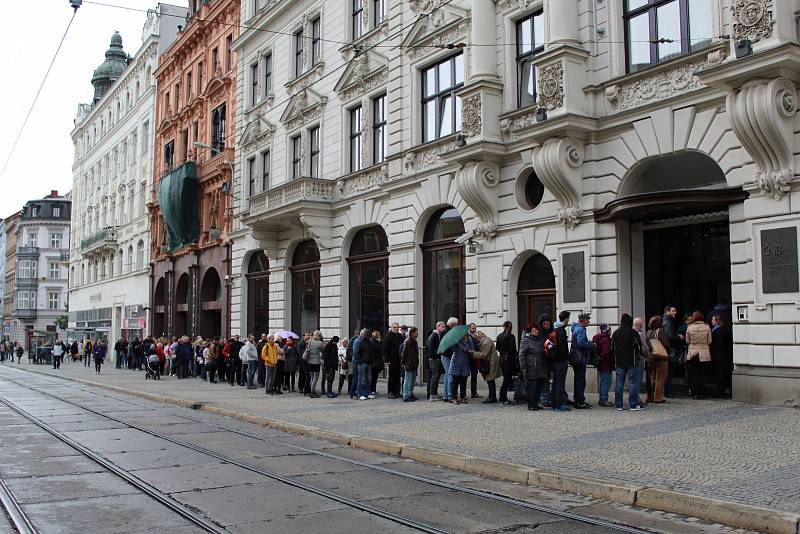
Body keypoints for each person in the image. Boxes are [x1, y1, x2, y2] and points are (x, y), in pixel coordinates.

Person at [612, 314, 644, 411]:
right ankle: (633, 405)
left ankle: (618, 405)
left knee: (619, 383)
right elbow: (639, 347)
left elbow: (612, 347)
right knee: (633, 383)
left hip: (619, 361)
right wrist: (637, 356)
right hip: (632, 361)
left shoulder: (616, 333)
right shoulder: (633, 333)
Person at [518, 322, 549, 411]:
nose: (536, 331)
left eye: (537, 330)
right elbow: (522, 354)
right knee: (533, 387)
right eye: (534, 330)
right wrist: (523, 367)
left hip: (541, 366)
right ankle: (531, 404)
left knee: (540, 386)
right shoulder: (525, 340)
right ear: (530, 331)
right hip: (532, 367)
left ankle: (536, 403)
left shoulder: (539, 339)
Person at [685, 310, 712, 400]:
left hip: (693, 353)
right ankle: (702, 393)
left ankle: (696, 394)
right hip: (704, 353)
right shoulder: (707, 327)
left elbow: (687, 341)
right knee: (703, 374)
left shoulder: (689, 328)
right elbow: (710, 341)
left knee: (694, 374)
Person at [569, 313, 594, 409]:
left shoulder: (576, 329)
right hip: (580, 358)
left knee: (578, 380)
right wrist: (592, 344)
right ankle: (580, 401)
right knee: (580, 380)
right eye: (588, 320)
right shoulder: (580, 330)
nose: (589, 322)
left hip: (577, 358)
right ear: (583, 321)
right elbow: (581, 343)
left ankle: (578, 399)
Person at [470, 331, 501, 403]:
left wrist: (473, 353)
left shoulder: (486, 342)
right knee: (490, 380)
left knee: (490, 380)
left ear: (479, 337)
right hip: (490, 362)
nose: (476, 340)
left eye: (476, 338)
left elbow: (484, 355)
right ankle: (491, 396)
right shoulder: (485, 341)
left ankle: (492, 397)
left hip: (490, 363)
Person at [549, 311, 571, 412]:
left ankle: (554, 403)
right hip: (561, 361)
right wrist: (566, 357)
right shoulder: (561, 331)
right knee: (560, 383)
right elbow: (562, 347)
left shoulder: (554, 329)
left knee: (555, 382)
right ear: (566, 319)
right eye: (568, 319)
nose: (568, 321)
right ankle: (558, 405)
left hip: (554, 360)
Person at [646, 316, 670, 404]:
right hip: (661, 357)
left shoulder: (648, 332)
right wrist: (668, 351)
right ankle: (658, 397)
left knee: (652, 378)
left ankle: (650, 397)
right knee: (661, 377)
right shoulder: (660, 331)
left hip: (651, 357)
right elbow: (665, 343)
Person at [496, 321, 518, 406]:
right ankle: (502, 398)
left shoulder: (499, 336)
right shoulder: (511, 337)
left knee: (506, 379)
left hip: (502, 359)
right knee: (507, 379)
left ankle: (502, 397)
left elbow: (497, 347)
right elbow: (513, 349)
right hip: (509, 360)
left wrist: (502, 352)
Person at [711, 314, 733, 398]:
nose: (711, 321)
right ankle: (725, 389)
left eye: (713, 320)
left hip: (718, 356)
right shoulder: (727, 330)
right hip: (726, 355)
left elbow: (716, 345)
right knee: (725, 373)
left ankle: (720, 391)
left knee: (719, 374)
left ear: (717, 321)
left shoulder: (716, 331)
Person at [448, 330, 473, 405]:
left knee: (463, 381)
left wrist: (466, 343)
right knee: (455, 382)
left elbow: (471, 349)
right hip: (456, 363)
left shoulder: (468, 340)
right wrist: (457, 342)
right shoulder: (456, 341)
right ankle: (454, 397)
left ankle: (463, 397)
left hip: (465, 363)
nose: (464, 335)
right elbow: (453, 350)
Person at [661, 306, 680, 398]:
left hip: (668, 349)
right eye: (673, 311)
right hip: (670, 349)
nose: (675, 312)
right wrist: (678, 337)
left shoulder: (666, 321)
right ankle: (667, 391)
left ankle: (666, 391)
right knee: (668, 371)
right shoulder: (668, 322)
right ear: (667, 311)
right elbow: (670, 336)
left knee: (667, 371)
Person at [593, 324, 613, 407]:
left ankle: (602, 398)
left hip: (600, 363)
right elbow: (606, 353)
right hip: (605, 363)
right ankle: (603, 399)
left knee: (603, 381)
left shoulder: (599, 338)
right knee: (606, 382)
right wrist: (610, 362)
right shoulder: (606, 339)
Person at [426, 322, 446, 401]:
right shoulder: (434, 335)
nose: (444, 328)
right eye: (442, 326)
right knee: (434, 377)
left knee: (436, 377)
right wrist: (434, 357)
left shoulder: (438, 335)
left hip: (437, 358)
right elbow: (430, 347)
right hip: (434, 359)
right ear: (438, 327)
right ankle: (432, 394)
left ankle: (434, 393)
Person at [441, 317, 459, 402]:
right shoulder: (447, 332)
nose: (457, 326)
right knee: (450, 376)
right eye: (456, 324)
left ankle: (446, 395)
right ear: (453, 325)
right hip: (447, 356)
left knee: (447, 376)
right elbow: (448, 346)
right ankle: (450, 396)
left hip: (446, 356)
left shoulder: (447, 332)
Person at [384, 323, 404, 399]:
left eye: (397, 327)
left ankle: (397, 392)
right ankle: (391, 392)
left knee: (398, 376)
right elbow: (385, 349)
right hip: (391, 359)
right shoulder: (388, 336)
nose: (396, 328)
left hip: (398, 359)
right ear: (391, 328)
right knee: (392, 376)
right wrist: (387, 360)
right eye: (394, 327)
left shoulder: (399, 336)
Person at [302, 331, 324, 398]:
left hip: (309, 362)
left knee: (311, 377)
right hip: (316, 362)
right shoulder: (320, 343)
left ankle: (312, 391)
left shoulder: (310, 341)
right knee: (315, 377)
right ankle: (312, 392)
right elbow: (323, 351)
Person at [633, 317, 649, 405]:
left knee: (633, 379)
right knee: (638, 379)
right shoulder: (640, 334)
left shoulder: (631, 333)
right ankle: (637, 399)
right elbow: (644, 347)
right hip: (639, 358)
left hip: (631, 358)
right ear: (640, 325)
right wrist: (648, 354)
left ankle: (634, 398)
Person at [401, 327, 420, 402]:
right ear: (412, 333)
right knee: (408, 379)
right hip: (409, 363)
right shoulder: (408, 341)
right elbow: (404, 353)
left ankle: (410, 394)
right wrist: (403, 363)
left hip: (414, 363)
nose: (417, 334)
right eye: (416, 332)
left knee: (412, 379)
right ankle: (406, 395)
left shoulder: (414, 341)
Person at [355, 329, 374, 400]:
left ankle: (367, 393)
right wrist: (359, 361)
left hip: (368, 363)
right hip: (363, 363)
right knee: (362, 379)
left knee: (368, 379)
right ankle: (361, 394)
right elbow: (356, 353)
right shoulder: (361, 342)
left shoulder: (369, 342)